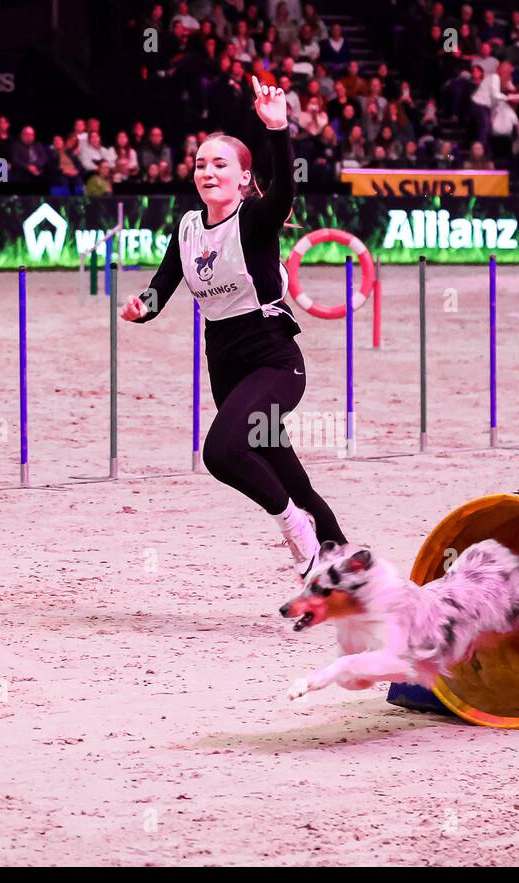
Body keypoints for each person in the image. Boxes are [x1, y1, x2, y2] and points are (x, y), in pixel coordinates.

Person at [121, 77, 346, 577]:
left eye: (220, 164)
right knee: (291, 476)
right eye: (201, 163)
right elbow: (164, 286)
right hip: (224, 364)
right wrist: (142, 306)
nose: (207, 171)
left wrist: (278, 129)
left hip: (273, 361)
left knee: (222, 452)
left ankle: (299, 536)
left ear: (244, 178)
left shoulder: (256, 220)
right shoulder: (186, 227)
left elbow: (286, 188)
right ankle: (346, 563)